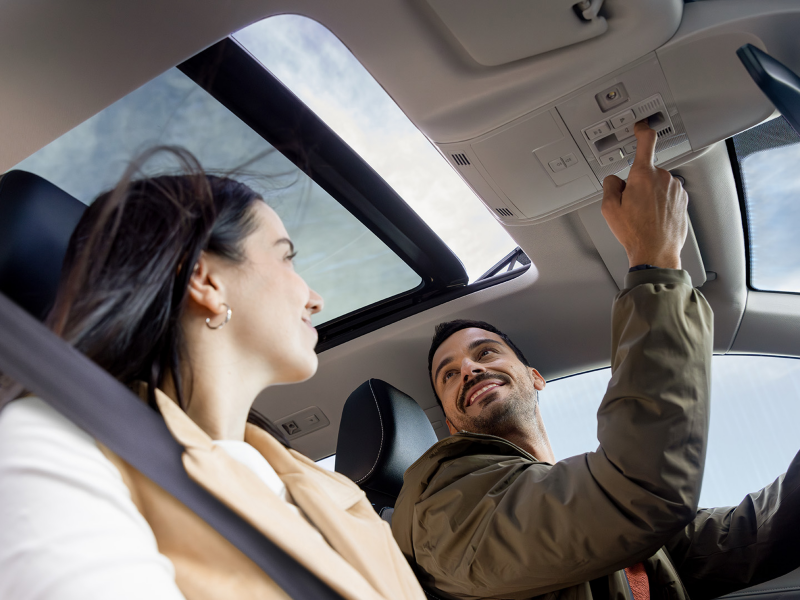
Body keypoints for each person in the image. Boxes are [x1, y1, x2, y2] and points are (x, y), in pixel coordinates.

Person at [392, 123, 800, 600]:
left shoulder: (581, 498)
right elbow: (638, 490)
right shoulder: (442, 506)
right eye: (449, 374)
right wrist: (653, 258)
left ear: (536, 378)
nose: (469, 368)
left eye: (486, 352)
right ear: (450, 420)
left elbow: (742, 540)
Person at [0, 148, 425, 600]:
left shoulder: (326, 487)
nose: (315, 298)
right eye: (285, 258)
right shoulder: (53, 441)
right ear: (206, 281)